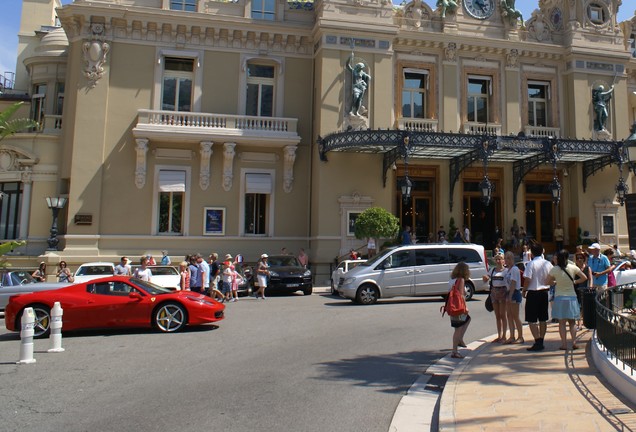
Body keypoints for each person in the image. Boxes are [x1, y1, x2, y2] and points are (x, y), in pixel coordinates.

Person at [545, 249, 588, 350]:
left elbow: (547, 281)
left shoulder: (555, 269)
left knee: (562, 323)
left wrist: (555, 282)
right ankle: (574, 342)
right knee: (572, 322)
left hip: (559, 297)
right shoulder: (573, 267)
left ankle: (564, 344)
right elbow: (584, 277)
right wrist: (575, 281)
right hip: (571, 297)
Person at [522, 242, 553, 352]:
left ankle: (537, 340)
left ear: (532, 252)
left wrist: (524, 290)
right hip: (544, 292)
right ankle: (541, 340)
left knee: (531, 319)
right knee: (543, 318)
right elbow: (552, 277)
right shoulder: (548, 263)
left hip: (533, 292)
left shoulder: (531, 264)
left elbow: (528, 279)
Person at [483, 253, 508, 343]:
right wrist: (485, 278)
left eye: (500, 259)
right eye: (497, 259)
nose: (498, 261)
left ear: (503, 260)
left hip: (503, 292)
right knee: (497, 315)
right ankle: (499, 335)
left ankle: (504, 336)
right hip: (494, 292)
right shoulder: (492, 270)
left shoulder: (506, 271)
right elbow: (486, 278)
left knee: (502, 315)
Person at [448, 262, 471, 359]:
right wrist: (465, 307)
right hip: (459, 308)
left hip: (452, 307)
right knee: (459, 328)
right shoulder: (461, 280)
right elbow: (461, 295)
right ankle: (455, 350)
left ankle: (459, 340)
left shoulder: (452, 280)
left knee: (465, 321)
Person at [504, 251, 524, 344]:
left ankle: (520, 336)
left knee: (515, 316)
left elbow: (513, 282)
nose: (506, 260)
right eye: (506, 258)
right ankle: (512, 336)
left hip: (514, 293)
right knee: (509, 315)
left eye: (508, 258)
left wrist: (510, 295)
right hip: (508, 292)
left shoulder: (515, 269)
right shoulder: (508, 270)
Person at [573, 252, 592, 330]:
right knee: (577, 307)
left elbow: (590, 279)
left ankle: (585, 322)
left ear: (584, 259)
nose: (579, 260)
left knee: (584, 307)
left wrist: (590, 287)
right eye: (578, 258)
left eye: (581, 258)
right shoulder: (575, 269)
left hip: (585, 290)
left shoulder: (588, 268)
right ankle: (579, 324)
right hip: (576, 289)